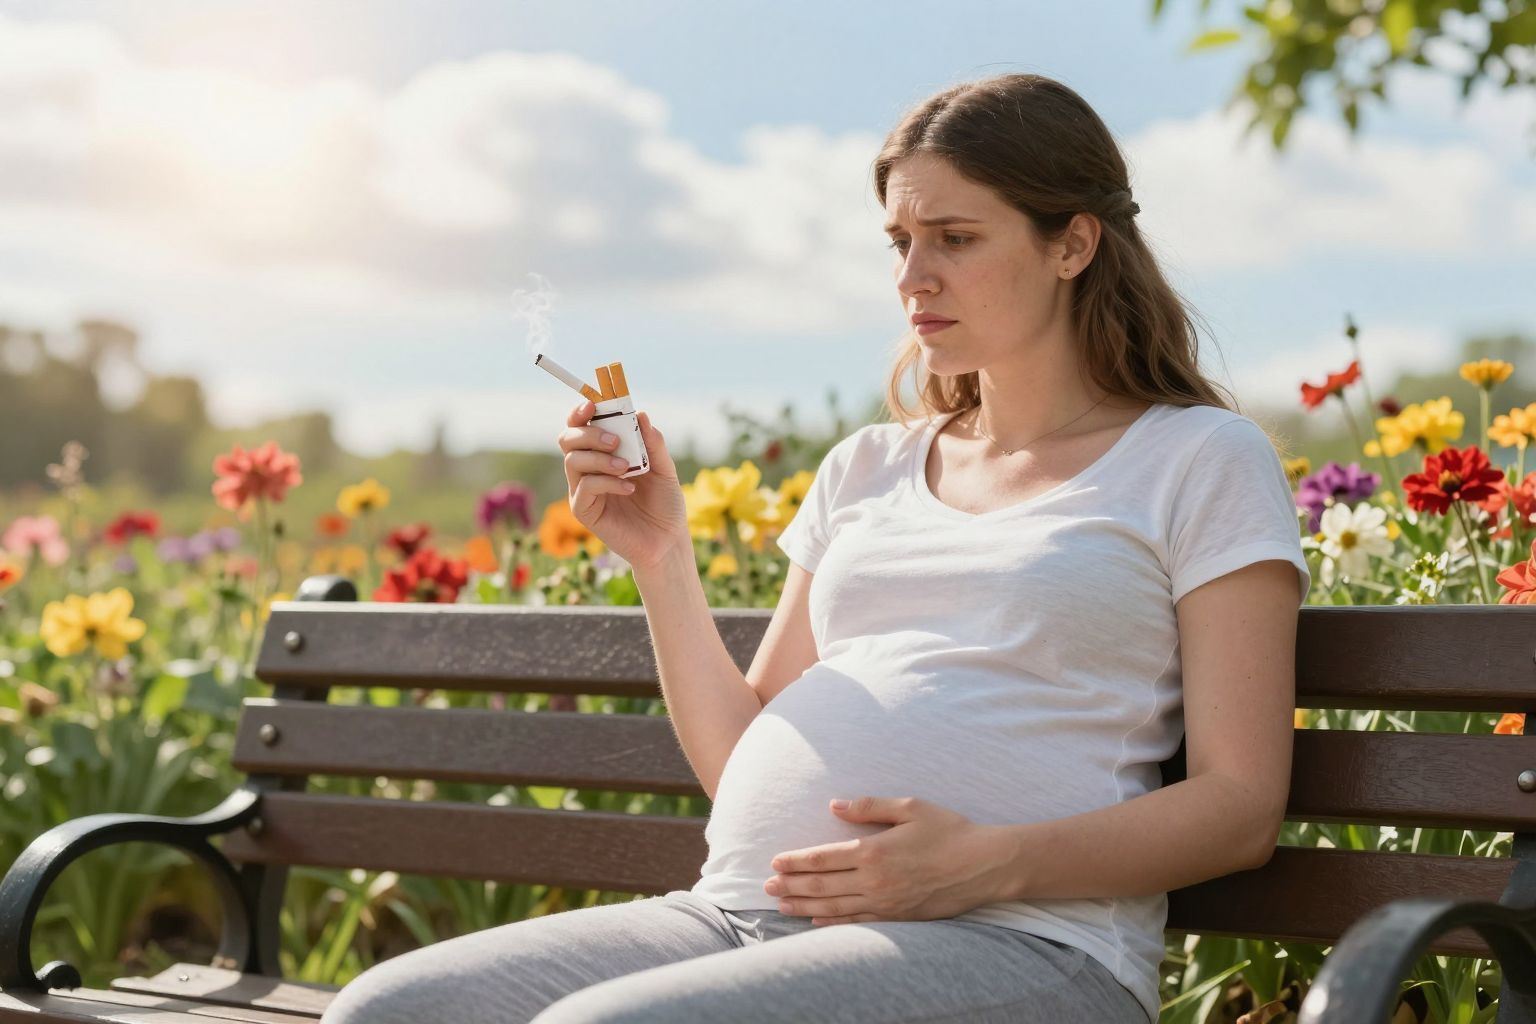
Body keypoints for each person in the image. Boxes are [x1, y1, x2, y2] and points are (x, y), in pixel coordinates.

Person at [322, 71, 1310, 1024]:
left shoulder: (1196, 458)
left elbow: (1240, 805)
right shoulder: (865, 467)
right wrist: (662, 557)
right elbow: (746, 756)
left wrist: (989, 859)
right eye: (899, 240)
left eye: (955, 238)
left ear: (1073, 244)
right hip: (732, 918)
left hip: (1026, 940)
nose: (912, 278)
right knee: (390, 1009)